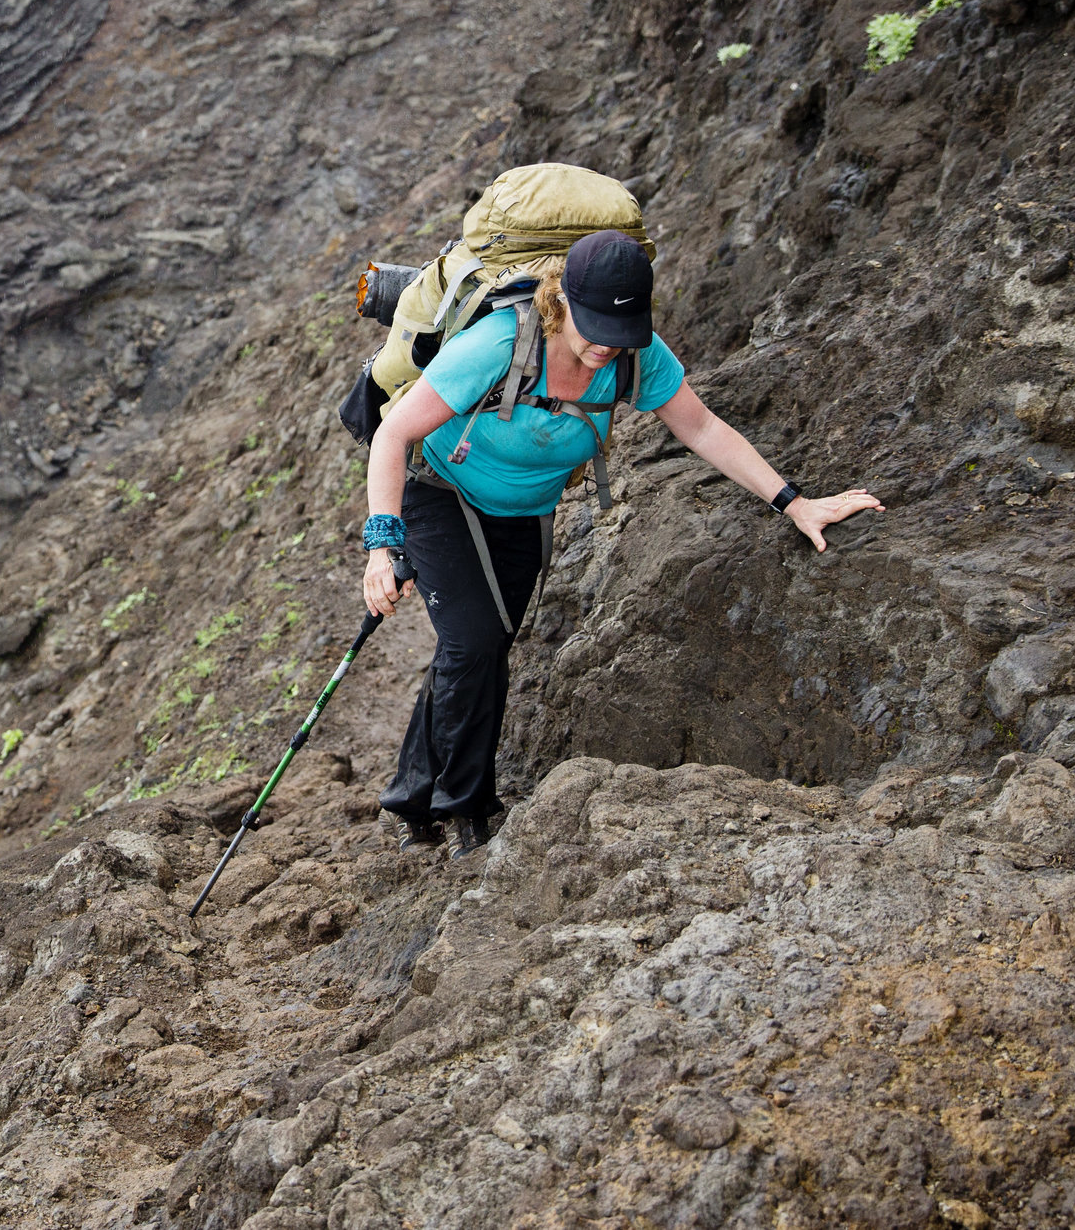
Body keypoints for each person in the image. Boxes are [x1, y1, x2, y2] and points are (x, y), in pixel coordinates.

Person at [358, 230, 882, 853]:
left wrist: (795, 503)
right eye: (596, 325)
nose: (608, 343)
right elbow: (393, 436)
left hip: (526, 516)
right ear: (562, 300)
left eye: (621, 329)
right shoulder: (498, 344)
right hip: (441, 493)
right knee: (475, 643)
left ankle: (411, 796)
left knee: (479, 645)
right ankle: (466, 807)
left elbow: (703, 428)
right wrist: (382, 544)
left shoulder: (636, 355)